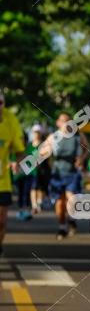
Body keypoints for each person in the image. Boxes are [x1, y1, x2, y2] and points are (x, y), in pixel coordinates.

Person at [46, 113, 89, 241]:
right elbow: (42, 152)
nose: (66, 124)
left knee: (71, 199)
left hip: (72, 172)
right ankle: (62, 227)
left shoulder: (77, 136)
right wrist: (47, 156)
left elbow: (87, 148)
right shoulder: (53, 137)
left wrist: (81, 159)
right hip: (58, 173)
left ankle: (71, 219)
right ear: (58, 123)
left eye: (68, 121)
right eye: (63, 121)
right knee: (60, 203)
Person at [0, 91, 24, 256]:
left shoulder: (10, 120)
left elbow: (19, 149)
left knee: (1, 220)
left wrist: (16, 161)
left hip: (3, 180)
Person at [27, 126, 51, 215]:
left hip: (43, 169)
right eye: (35, 132)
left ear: (41, 133)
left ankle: (39, 202)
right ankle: (34, 206)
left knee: (42, 188)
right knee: (33, 187)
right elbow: (26, 156)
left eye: (38, 132)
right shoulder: (29, 144)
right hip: (33, 170)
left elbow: (48, 154)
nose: (36, 134)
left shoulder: (44, 144)